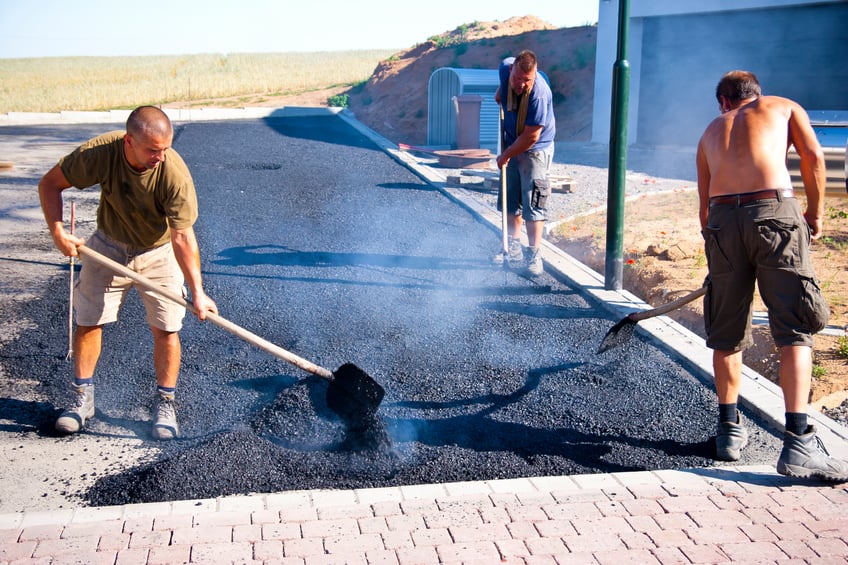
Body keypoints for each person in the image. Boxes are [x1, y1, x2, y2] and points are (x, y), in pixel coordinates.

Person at [696, 70, 848, 481]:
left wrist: (725, 248)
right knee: (794, 326)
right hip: (774, 214)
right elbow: (814, 157)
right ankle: (798, 442)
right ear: (754, 95)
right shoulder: (782, 106)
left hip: (722, 221)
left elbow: (704, 210)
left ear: (724, 102)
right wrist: (814, 212)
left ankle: (728, 431)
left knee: (726, 330)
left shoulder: (711, 130)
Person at [38, 105, 218, 440]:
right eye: (153, 150)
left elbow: (182, 235)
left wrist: (197, 291)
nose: (160, 157)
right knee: (89, 321)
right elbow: (50, 184)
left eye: (165, 149)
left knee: (167, 327)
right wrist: (58, 232)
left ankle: (165, 402)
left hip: (159, 251)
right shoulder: (100, 154)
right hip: (107, 247)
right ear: (128, 142)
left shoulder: (173, 172)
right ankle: (82, 398)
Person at [493, 50, 556, 276]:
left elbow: (531, 137)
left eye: (526, 80)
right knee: (511, 199)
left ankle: (533, 255)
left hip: (535, 150)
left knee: (533, 202)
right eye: (517, 79)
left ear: (535, 74)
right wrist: (502, 92)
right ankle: (513, 247)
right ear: (511, 70)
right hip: (512, 142)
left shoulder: (539, 94)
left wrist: (506, 155)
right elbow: (499, 96)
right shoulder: (505, 68)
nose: (520, 85)